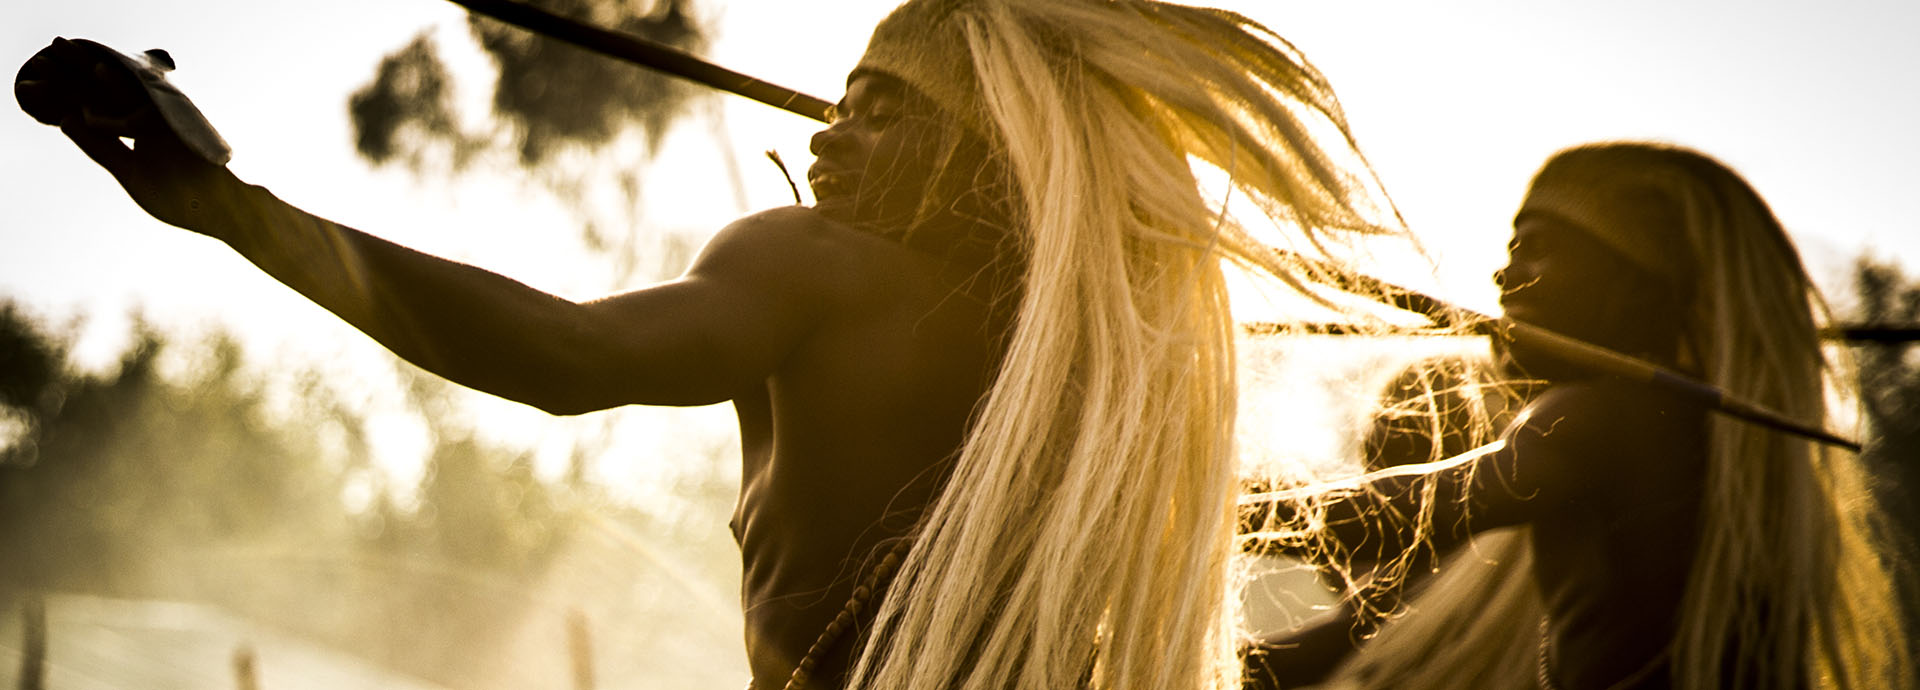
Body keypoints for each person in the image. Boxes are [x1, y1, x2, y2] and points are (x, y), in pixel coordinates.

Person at [22, 1, 1411, 688]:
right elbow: (1312, 521)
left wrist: (237, 214)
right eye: (841, 102)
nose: (833, 132)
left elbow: (565, 356)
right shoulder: (1093, 367)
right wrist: (1478, 485)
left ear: (977, 151)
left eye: (883, 109)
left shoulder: (816, 267)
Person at [1242, 142, 1911, 689]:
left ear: (1633, 282)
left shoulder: (1607, 419)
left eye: (1539, 249)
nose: (1505, 277)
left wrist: (1215, 506)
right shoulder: (1675, 426)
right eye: (1511, 251)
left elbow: (1415, 510)